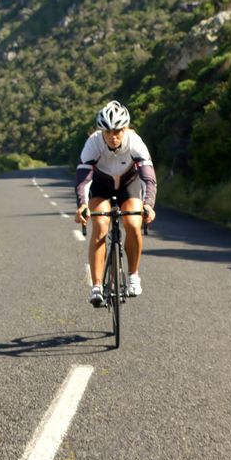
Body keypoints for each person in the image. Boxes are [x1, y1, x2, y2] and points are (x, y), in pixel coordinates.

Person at [74, 100, 157, 306]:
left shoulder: (135, 142)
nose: (113, 136)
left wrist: (148, 205)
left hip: (129, 186)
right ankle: (96, 286)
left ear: (125, 128)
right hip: (101, 187)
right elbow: (83, 180)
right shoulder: (93, 143)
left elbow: (148, 179)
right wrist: (82, 206)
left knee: (132, 223)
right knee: (101, 226)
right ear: (101, 130)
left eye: (118, 130)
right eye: (108, 131)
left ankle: (133, 276)